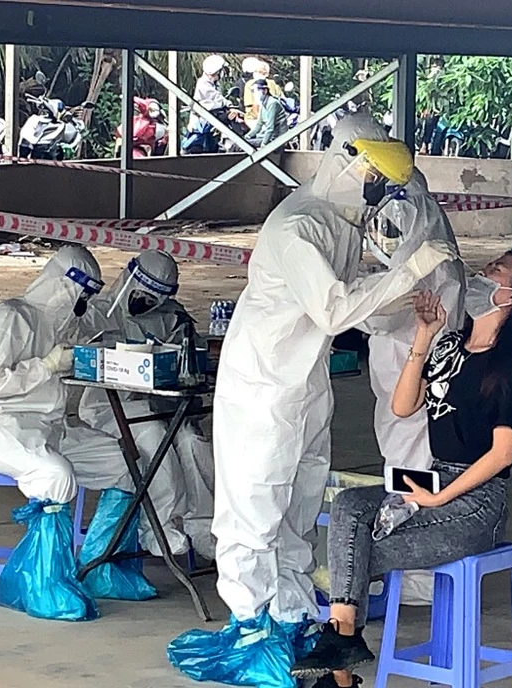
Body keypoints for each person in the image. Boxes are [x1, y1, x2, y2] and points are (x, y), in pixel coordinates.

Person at [167, 115, 458, 688]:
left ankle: (295, 619)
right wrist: (409, 272)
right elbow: (333, 309)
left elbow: (359, 308)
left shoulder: (343, 224)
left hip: (306, 383)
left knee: (298, 508)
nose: (377, 189)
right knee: (254, 511)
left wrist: (408, 294)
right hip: (263, 385)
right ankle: (251, 628)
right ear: (344, 161)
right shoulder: (297, 227)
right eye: (373, 176)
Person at [290, 251, 512, 686]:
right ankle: (341, 650)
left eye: (496, 271)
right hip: (434, 476)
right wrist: (425, 334)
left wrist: (439, 497)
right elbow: (403, 406)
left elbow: (501, 455)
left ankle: (340, 669)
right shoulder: (451, 346)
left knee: (357, 549)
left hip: (477, 500)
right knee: (349, 506)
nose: (482, 274)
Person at [0, 246, 156, 621]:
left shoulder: (59, 326)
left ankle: (101, 567)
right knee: (54, 476)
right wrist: (46, 366)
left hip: (46, 428)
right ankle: (41, 585)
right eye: (84, 293)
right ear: (63, 284)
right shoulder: (10, 318)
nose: (84, 303)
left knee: (125, 463)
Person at [362, 168, 467, 604]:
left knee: (414, 473)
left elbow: (383, 312)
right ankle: (411, 567)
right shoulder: (424, 240)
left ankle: (419, 575)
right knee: (403, 467)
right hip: (401, 375)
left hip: (415, 373)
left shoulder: (419, 250)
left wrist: (352, 299)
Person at [78, 249, 215, 559]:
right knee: (153, 436)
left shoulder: (172, 317)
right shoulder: (97, 313)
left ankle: (202, 526)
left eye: (153, 299)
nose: (144, 303)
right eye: (140, 294)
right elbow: (78, 355)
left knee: (191, 439)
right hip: (109, 407)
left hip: (162, 403)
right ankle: (158, 526)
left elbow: (193, 356)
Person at [190, 54, 229, 131]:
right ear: (217, 72)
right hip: (202, 122)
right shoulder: (203, 84)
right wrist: (228, 104)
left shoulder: (215, 83)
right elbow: (216, 98)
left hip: (211, 119)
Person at [246, 79, 288, 148]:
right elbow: (258, 125)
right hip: (269, 138)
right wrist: (247, 136)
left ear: (265, 91)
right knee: (241, 144)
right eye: (252, 91)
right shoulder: (263, 105)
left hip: (276, 139)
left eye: (256, 91)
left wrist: (264, 144)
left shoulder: (272, 103)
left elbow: (270, 128)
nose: (254, 94)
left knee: (238, 147)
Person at [243, 58, 284, 122]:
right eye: (256, 71)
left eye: (261, 72)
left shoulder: (273, 84)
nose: (257, 74)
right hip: (255, 118)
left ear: (267, 74)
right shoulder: (250, 84)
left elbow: (282, 99)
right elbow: (250, 106)